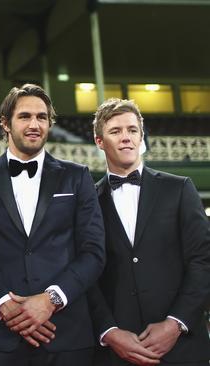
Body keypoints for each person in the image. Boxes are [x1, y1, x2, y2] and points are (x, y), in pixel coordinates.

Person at [0, 84, 106, 365]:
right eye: (25, 116)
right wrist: (1, 304)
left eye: (42, 117)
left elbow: (93, 251)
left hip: (67, 335)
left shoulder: (77, 176)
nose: (35, 125)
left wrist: (51, 300)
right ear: (6, 123)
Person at [88, 98, 210, 366]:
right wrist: (109, 332)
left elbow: (203, 262)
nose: (126, 138)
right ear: (99, 142)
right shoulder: (88, 201)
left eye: (132, 130)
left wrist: (176, 323)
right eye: (115, 131)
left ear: (141, 137)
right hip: (116, 353)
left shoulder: (179, 189)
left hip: (183, 348)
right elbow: (87, 275)